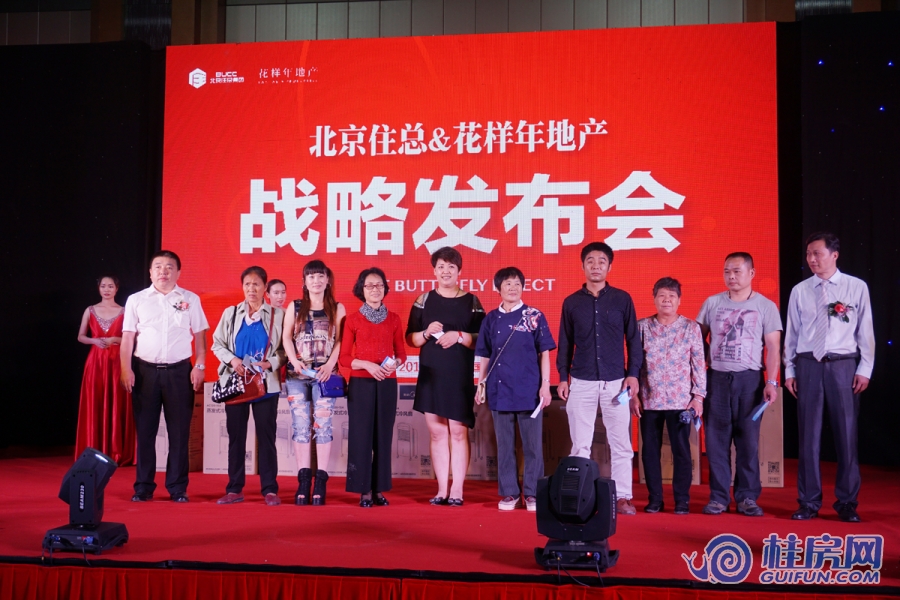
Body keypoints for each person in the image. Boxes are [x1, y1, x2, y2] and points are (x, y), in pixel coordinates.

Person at [784, 232, 874, 523]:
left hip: (843, 365)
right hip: (808, 365)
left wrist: (865, 368)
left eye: (817, 254)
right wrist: (789, 370)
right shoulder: (800, 290)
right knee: (808, 438)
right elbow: (792, 334)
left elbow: (865, 330)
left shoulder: (855, 287)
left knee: (846, 436)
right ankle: (808, 502)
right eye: (808, 254)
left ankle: (847, 502)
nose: (811, 259)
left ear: (834, 255)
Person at [557, 242, 643, 515]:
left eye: (601, 261)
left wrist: (633, 375)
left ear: (609, 266)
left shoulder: (622, 299)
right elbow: (565, 342)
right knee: (580, 444)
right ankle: (580, 496)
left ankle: (623, 497)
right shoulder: (571, 303)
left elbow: (633, 340)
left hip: (616, 382)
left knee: (621, 444)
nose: (596, 266)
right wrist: (562, 377)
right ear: (582, 266)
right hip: (581, 381)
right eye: (590, 261)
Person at [696, 252, 782, 517]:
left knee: (748, 443)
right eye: (727, 272)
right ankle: (719, 498)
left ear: (751, 273)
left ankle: (747, 497)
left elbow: (773, 347)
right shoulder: (712, 303)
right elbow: (696, 340)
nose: (731, 277)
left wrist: (771, 381)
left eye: (737, 271)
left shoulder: (766, 306)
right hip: (717, 381)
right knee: (716, 442)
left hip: (750, 382)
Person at [120, 250, 208, 503]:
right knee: (145, 432)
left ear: (178, 272)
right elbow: (128, 338)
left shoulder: (190, 299)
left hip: (179, 372)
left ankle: (177, 488)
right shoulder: (136, 300)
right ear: (150, 272)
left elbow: (200, 337)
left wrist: (199, 366)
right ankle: (143, 487)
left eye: (169, 267)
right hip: (144, 372)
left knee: (179, 433)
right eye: (158, 266)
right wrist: (125, 368)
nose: (163, 271)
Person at [406, 247, 485, 506]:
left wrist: (460, 336)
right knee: (437, 433)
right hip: (431, 375)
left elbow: (483, 340)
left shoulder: (472, 301)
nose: (446, 271)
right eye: (441, 266)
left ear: (459, 271)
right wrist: (426, 332)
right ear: (434, 271)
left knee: (458, 432)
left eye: (451, 266)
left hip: (459, 376)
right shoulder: (423, 300)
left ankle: (457, 490)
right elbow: (410, 338)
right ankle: (441, 490)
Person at [475, 267, 555, 512]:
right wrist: (481, 383)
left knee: (533, 446)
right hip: (499, 389)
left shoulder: (534, 316)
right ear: (497, 288)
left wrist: (545, 385)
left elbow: (544, 353)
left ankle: (532, 493)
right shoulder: (490, 319)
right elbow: (485, 355)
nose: (513, 288)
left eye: (517, 283)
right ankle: (510, 492)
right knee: (505, 445)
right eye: (508, 283)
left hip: (529, 389)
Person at [211, 266, 285, 506]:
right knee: (236, 437)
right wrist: (233, 361)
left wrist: (270, 363)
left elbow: (286, 350)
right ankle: (234, 489)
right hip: (236, 385)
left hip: (266, 385)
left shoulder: (279, 315)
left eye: (256, 284)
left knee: (267, 437)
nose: (251, 289)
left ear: (265, 288)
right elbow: (217, 344)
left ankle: (270, 490)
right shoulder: (231, 313)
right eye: (247, 284)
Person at [631, 277, 705, 515]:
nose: (666, 300)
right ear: (654, 299)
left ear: (679, 300)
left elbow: (698, 364)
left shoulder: (691, 328)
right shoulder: (642, 327)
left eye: (672, 296)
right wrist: (634, 396)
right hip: (649, 400)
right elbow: (633, 363)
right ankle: (655, 499)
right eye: (662, 295)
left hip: (680, 401)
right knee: (650, 451)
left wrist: (698, 397)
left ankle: (682, 500)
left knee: (681, 451)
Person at [340, 267, 407, 507]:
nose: (375, 289)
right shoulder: (352, 320)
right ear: (362, 289)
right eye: (369, 285)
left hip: (387, 382)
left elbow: (401, 354)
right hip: (361, 383)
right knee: (361, 436)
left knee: (383, 436)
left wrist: (393, 364)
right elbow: (344, 358)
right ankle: (364, 489)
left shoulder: (394, 319)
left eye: (379, 285)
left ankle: (379, 488)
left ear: (385, 289)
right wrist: (367, 365)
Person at [282, 261, 346, 505]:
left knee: (323, 426)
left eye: (320, 276)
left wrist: (330, 365)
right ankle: (303, 481)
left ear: (328, 280)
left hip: (324, 377)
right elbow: (286, 337)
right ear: (304, 281)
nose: (316, 281)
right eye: (311, 277)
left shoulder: (337, 308)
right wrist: (294, 361)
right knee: (300, 426)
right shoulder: (295, 306)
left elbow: (341, 340)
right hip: (297, 376)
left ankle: (320, 481)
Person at [75, 276, 135, 466]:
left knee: (117, 400)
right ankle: (94, 450)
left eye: (110, 286)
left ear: (117, 289)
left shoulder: (125, 311)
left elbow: (131, 338)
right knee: (96, 400)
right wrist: (94, 340)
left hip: (117, 361)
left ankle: (117, 451)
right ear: (98, 288)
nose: (107, 289)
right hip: (96, 362)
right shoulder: (90, 310)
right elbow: (81, 336)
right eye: (103, 286)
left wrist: (114, 340)